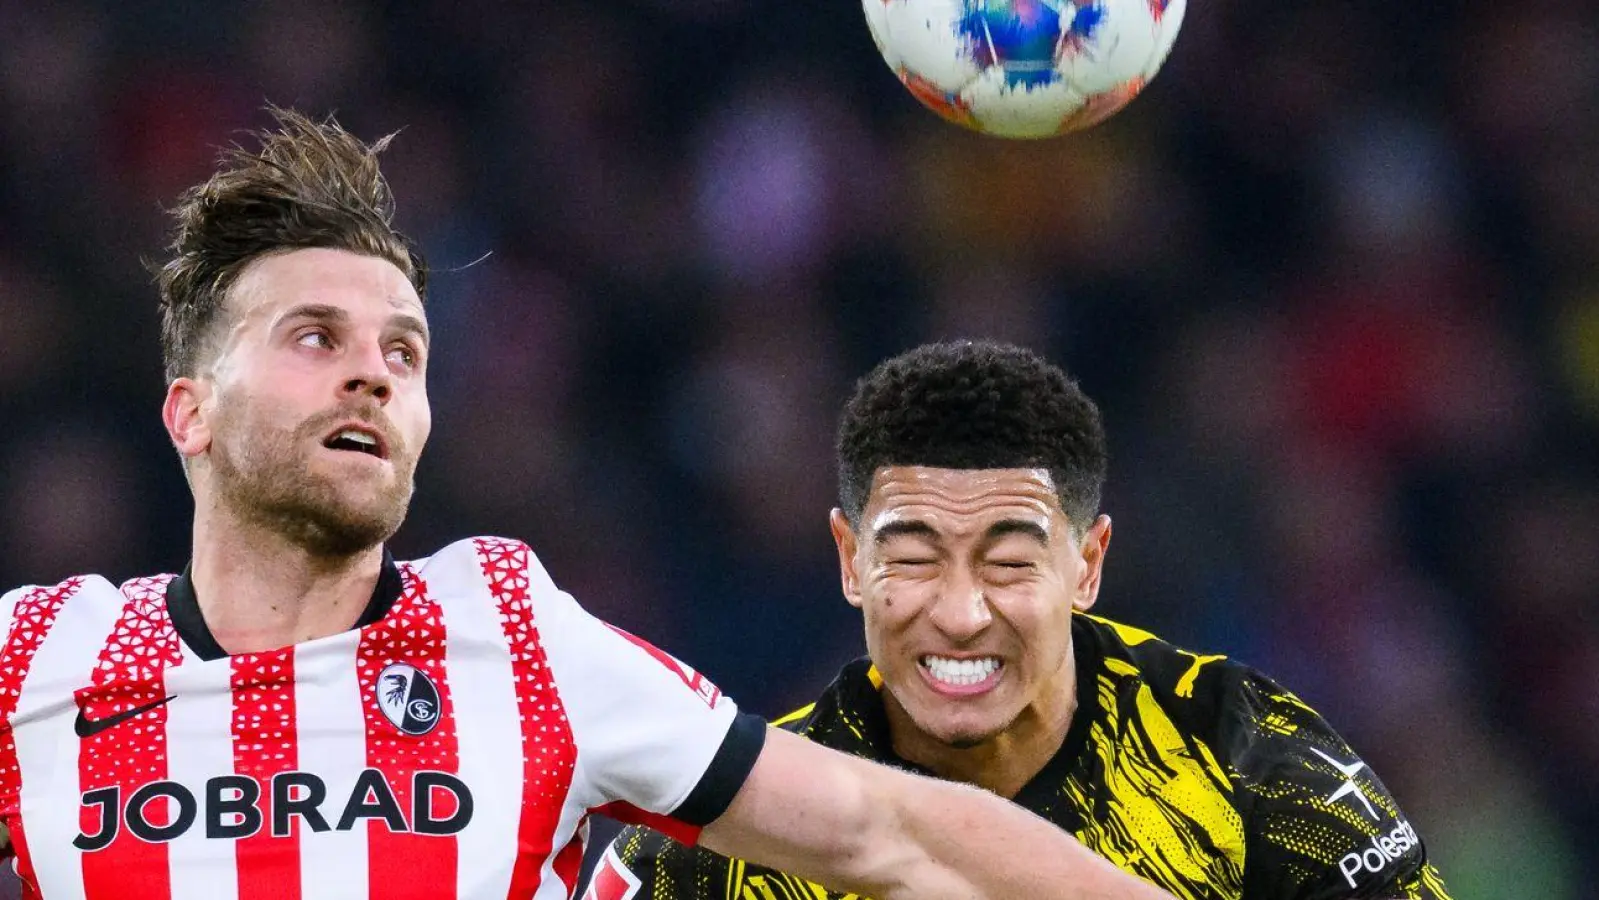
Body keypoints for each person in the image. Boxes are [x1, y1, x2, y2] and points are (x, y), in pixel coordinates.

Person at [0, 111, 1176, 900]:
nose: (373, 372)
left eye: (404, 353)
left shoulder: (516, 639)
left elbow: (893, 832)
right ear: (190, 413)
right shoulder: (34, 658)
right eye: (316, 338)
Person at [597, 340, 1455, 900]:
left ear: (1087, 564)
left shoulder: (1239, 752)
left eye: (1009, 563)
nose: (962, 615)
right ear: (849, 560)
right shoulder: (726, 833)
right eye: (914, 557)